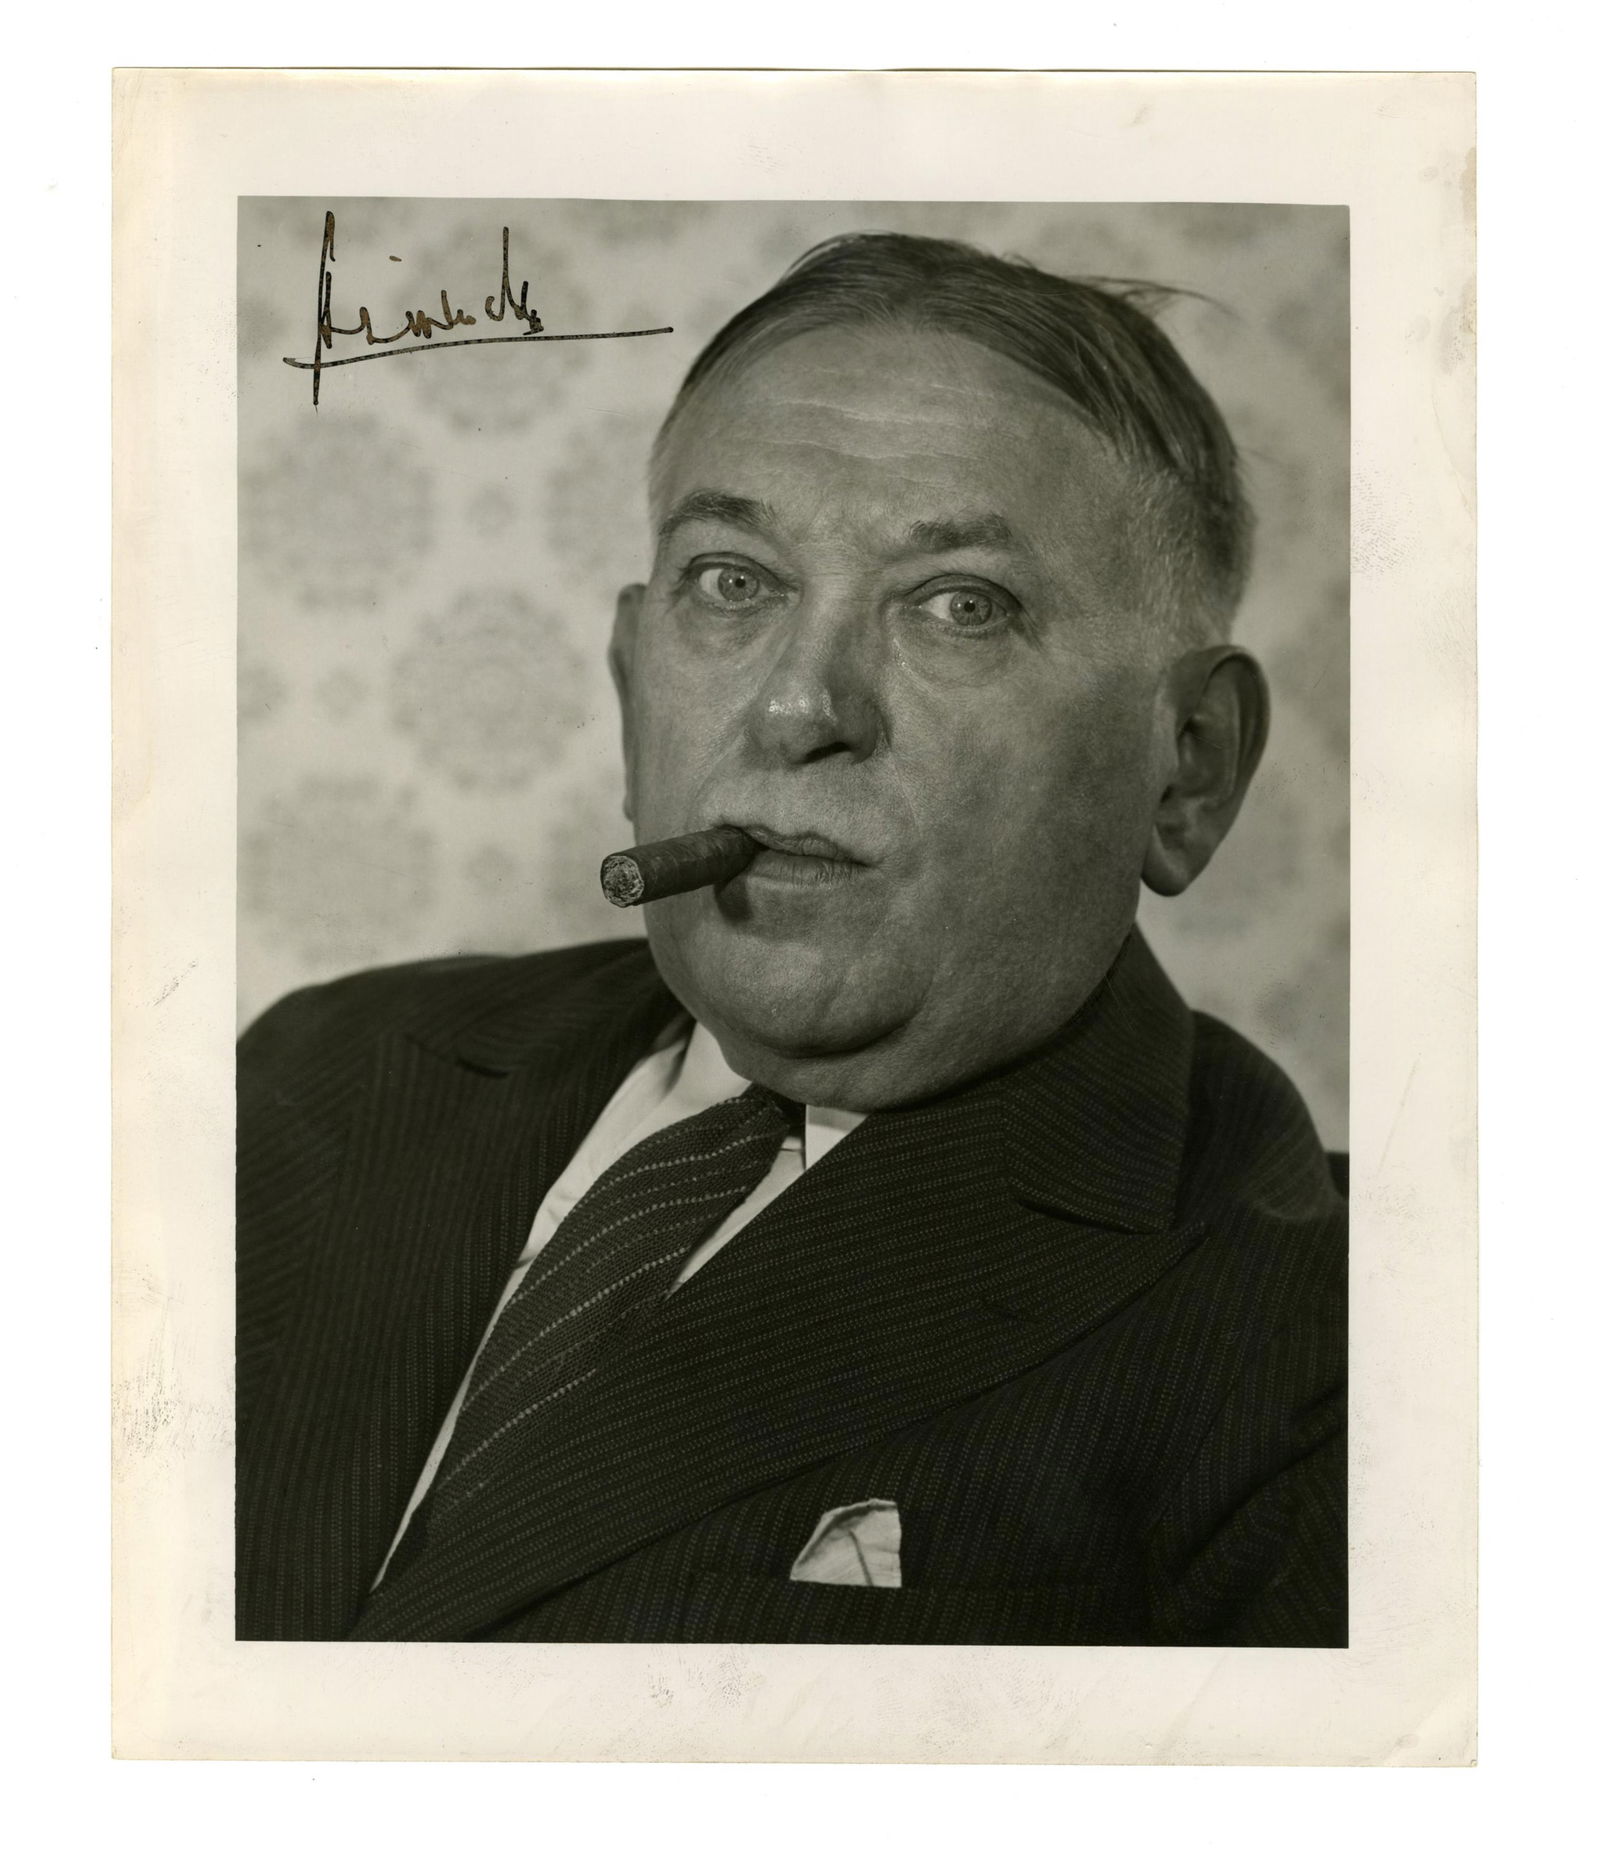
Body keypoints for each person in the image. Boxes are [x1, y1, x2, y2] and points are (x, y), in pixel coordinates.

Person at [236, 232, 1347, 1646]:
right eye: (734, 581)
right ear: (632, 667)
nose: (799, 707)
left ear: (1187, 767)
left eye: (961, 605)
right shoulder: (313, 1072)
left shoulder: (1325, 1352)